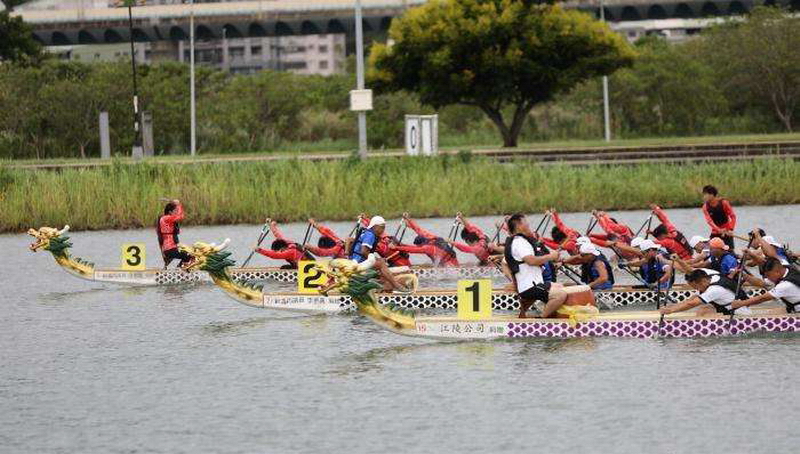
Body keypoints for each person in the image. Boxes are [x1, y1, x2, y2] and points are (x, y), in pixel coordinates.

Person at [503, 213, 566, 318]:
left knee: (560, 286)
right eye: (526, 223)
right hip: (530, 287)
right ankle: (541, 320)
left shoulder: (521, 241)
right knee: (560, 295)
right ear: (519, 225)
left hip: (533, 284)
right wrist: (551, 256)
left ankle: (546, 314)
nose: (528, 225)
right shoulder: (519, 242)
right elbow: (531, 261)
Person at [349, 216, 411, 292]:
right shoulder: (370, 235)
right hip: (358, 264)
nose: (383, 230)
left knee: (380, 264)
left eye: (384, 227)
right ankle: (397, 286)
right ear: (375, 227)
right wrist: (377, 259)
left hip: (357, 262)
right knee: (381, 263)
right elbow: (364, 252)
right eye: (382, 227)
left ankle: (383, 287)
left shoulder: (367, 232)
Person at [659, 268, 751, 316]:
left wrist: (671, 311)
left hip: (738, 314)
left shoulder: (714, 289)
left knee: (703, 310)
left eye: (695, 287)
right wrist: (673, 306)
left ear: (701, 281)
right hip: (729, 309)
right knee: (705, 308)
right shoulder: (713, 277)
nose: (697, 289)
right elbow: (692, 299)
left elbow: (692, 304)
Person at [731, 258, 800, 313]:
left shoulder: (785, 285)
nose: (768, 278)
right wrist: (743, 275)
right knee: (772, 312)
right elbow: (761, 283)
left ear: (777, 272)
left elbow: (763, 298)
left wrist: (741, 304)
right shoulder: (788, 269)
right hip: (792, 306)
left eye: (768, 275)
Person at [395, 214, 459, 267]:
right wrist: (408, 219)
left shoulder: (427, 248)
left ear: (421, 244)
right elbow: (417, 228)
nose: (418, 247)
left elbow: (412, 250)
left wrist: (396, 247)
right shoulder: (428, 237)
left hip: (450, 263)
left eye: (418, 246)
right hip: (444, 260)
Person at [157, 199, 192, 268]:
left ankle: (179, 269)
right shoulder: (166, 218)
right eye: (175, 211)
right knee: (188, 255)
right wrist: (179, 204)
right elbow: (181, 216)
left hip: (171, 247)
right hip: (170, 249)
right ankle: (179, 270)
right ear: (170, 212)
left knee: (189, 253)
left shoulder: (166, 218)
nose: (176, 213)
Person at [701, 185, 736, 250]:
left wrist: (731, 229)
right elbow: (709, 221)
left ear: (711, 195)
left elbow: (733, 216)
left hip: (727, 232)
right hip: (715, 233)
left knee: (730, 252)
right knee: (709, 251)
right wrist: (718, 230)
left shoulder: (724, 203)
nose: (704, 197)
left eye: (705, 194)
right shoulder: (705, 207)